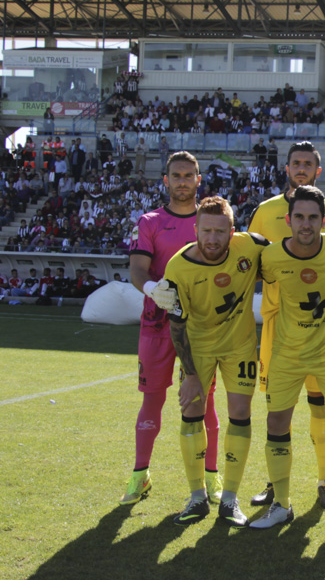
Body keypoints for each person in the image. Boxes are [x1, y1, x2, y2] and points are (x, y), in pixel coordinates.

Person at [249, 186, 325, 535]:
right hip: (286, 354)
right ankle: (281, 504)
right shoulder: (271, 257)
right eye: (299, 217)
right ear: (288, 220)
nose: (306, 224)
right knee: (276, 424)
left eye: (313, 217)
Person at [247, 142, 325, 511]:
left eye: (309, 164)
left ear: (318, 170)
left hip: (323, 328)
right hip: (279, 325)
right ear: (286, 167)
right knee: (279, 409)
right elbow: (250, 261)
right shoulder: (265, 211)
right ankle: (277, 484)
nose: (302, 168)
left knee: (322, 407)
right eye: (296, 163)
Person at [119, 151, 224, 505]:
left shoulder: (212, 221)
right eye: (176, 175)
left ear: (198, 180)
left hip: (200, 328)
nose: (182, 181)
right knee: (153, 399)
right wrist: (152, 289)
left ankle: (211, 477)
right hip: (157, 324)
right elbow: (137, 269)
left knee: (203, 400)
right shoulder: (148, 221)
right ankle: (140, 476)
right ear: (166, 181)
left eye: (188, 175)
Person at [158, 196, 269, 527]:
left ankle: (231, 499)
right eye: (206, 231)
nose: (212, 239)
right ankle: (197, 497)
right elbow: (176, 324)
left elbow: (281, 251)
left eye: (220, 232)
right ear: (196, 229)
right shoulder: (178, 267)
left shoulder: (249, 247)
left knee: (240, 413)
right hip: (198, 348)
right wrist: (190, 374)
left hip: (240, 347)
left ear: (232, 232)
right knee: (191, 412)